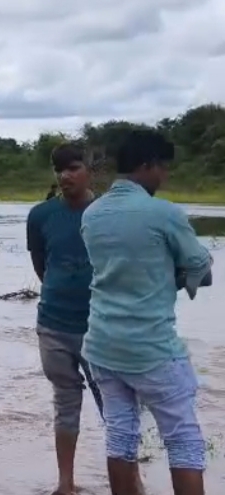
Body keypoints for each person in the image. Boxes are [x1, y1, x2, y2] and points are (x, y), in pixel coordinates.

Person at [81, 129, 211, 495]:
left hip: (103, 347)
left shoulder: (92, 214)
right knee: (183, 438)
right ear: (146, 165)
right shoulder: (163, 213)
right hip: (151, 349)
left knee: (120, 434)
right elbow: (200, 264)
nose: (164, 176)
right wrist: (181, 276)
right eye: (162, 168)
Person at [26, 144, 102, 495]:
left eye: (73, 168)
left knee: (114, 405)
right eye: (60, 170)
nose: (65, 176)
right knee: (65, 403)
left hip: (101, 325)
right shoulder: (40, 215)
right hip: (54, 324)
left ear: (89, 169)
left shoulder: (106, 213)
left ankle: (131, 480)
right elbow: (42, 266)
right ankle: (65, 483)